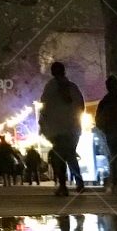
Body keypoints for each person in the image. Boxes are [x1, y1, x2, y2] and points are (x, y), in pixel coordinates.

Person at [39, 61, 85, 196]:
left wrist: (43, 125)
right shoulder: (73, 87)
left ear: (52, 72)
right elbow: (81, 106)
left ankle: (63, 186)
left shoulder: (50, 88)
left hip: (57, 130)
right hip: (72, 128)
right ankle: (79, 182)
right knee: (71, 154)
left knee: (59, 158)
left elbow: (45, 109)